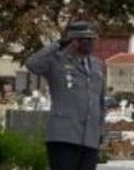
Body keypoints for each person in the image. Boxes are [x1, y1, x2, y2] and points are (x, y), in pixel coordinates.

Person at [25, 21, 105, 170]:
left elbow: (100, 101)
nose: (91, 43)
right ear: (74, 40)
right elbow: (32, 64)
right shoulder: (57, 60)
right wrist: (59, 44)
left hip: (89, 137)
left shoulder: (97, 65)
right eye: (85, 39)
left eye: (93, 39)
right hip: (64, 136)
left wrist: (99, 131)